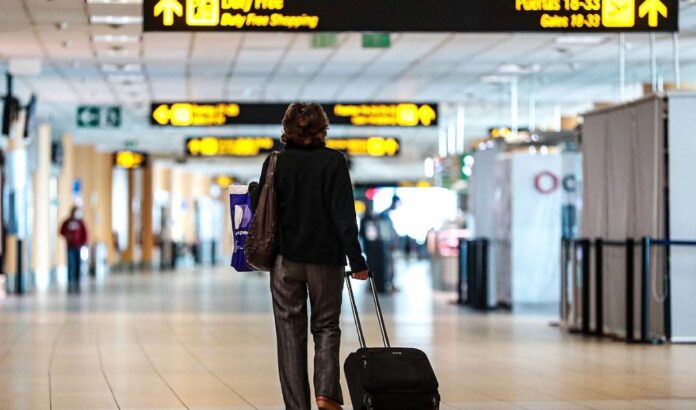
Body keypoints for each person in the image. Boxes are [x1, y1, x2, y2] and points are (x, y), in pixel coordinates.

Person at [250, 103, 369, 410]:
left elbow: (263, 208)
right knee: (326, 327)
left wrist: (253, 193)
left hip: (285, 261)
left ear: (287, 129)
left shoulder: (275, 162)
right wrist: (357, 261)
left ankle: (296, 406)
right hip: (325, 260)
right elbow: (344, 216)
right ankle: (326, 392)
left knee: (289, 334)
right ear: (322, 129)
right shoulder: (334, 161)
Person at [60, 206, 88, 293]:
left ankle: (77, 278)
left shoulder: (80, 222)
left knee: (78, 262)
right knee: (70, 262)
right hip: (70, 246)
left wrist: (84, 243)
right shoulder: (67, 222)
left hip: (78, 246)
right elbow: (61, 231)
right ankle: (70, 279)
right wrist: (66, 235)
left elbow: (85, 233)